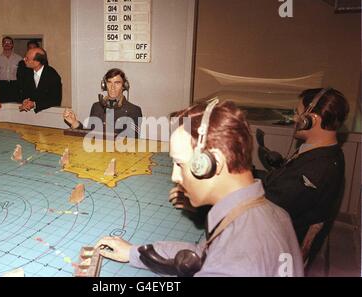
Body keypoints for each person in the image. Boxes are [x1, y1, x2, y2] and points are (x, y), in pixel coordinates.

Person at [95, 99, 304, 277]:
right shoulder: (275, 214)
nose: (174, 176)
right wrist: (133, 252)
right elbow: (201, 254)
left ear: (209, 163)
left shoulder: (236, 261)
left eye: (180, 164)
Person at [261, 88, 349, 261]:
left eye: (298, 113)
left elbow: (267, 209)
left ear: (311, 119)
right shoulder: (322, 152)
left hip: (279, 250)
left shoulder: (317, 170)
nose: (295, 119)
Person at [63, 68, 142, 137]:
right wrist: (74, 122)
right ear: (104, 85)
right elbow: (90, 134)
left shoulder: (134, 110)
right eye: (109, 82)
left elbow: (133, 142)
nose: (112, 87)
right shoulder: (96, 106)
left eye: (117, 83)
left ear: (124, 86)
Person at [19, 47, 62, 113]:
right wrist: (24, 100)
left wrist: (35, 104)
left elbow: (55, 100)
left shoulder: (52, 75)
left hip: (48, 114)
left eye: (27, 58)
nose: (24, 59)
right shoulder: (26, 73)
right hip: (29, 115)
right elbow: (23, 91)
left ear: (37, 62)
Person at [0, 36, 22, 103]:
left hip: (15, 85)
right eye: (5, 42)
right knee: (3, 105)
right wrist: (3, 82)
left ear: (12, 45)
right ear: (2, 44)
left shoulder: (19, 58)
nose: (7, 44)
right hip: (3, 86)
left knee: (15, 105)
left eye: (9, 42)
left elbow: (21, 74)